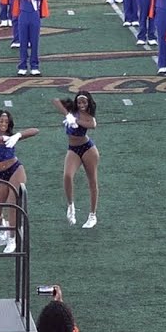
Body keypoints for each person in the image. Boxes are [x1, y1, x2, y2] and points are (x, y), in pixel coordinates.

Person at [0, 110, 39, 253]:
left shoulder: (11, 136)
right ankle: (5, 227)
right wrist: (4, 139)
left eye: (6, 122)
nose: (3, 124)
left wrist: (18, 135)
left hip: (16, 170)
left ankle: (12, 239)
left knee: (12, 205)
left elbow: (35, 130)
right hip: (1, 175)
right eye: (1, 121)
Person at [51, 92, 99, 229]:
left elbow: (92, 125)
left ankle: (92, 215)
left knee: (92, 181)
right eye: (79, 102)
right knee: (67, 175)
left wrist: (76, 121)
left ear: (88, 103)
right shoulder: (72, 110)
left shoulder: (89, 116)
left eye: (84, 102)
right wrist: (68, 115)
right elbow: (55, 100)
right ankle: (71, 206)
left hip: (88, 149)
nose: (82, 105)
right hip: (73, 148)